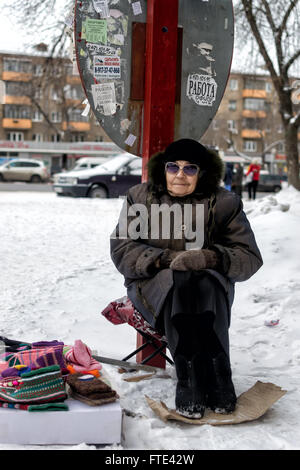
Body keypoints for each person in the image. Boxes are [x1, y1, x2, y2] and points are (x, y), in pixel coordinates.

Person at [110, 139, 263, 418]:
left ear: (202, 173)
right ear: (163, 170)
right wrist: (166, 259)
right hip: (153, 286)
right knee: (180, 282)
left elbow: (249, 256)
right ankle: (189, 377)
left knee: (202, 282)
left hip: (209, 288)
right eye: (173, 167)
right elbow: (122, 248)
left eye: (190, 169)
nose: (180, 174)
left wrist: (210, 258)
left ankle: (219, 376)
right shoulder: (139, 197)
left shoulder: (225, 203)